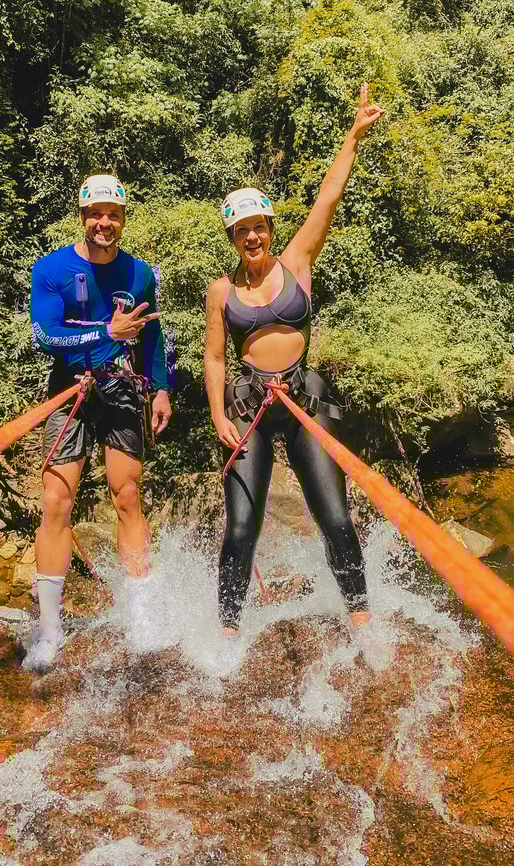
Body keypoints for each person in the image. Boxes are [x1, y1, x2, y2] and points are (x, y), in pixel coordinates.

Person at [204, 85, 385, 634]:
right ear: (233, 238)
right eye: (242, 231)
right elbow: (214, 358)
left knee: (334, 516)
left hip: (305, 397)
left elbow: (328, 197)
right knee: (241, 527)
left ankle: (360, 616)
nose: (252, 236)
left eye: (259, 226)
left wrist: (353, 136)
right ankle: (227, 629)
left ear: (270, 229)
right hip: (251, 403)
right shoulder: (220, 290)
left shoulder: (298, 259)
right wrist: (217, 416)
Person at [25, 174, 172, 672]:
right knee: (56, 500)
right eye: (95, 214)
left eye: (112, 214)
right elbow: (44, 336)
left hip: (122, 388)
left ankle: (142, 617)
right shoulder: (51, 269)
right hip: (69, 391)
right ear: (82, 217)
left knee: (126, 494)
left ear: (123, 218)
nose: (103, 222)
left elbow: (153, 337)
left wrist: (162, 388)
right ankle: (48, 631)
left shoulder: (140, 274)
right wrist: (106, 331)